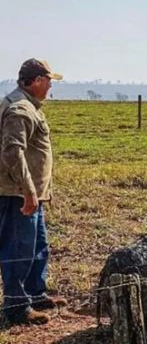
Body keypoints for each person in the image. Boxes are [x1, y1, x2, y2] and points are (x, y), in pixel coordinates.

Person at [0, 59, 67, 325]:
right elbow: (12, 152)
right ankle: (17, 307)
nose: (51, 86)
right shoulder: (21, 109)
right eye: (49, 80)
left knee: (38, 246)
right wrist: (28, 191)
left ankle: (36, 294)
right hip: (18, 194)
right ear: (37, 80)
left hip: (29, 195)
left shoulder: (25, 104)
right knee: (19, 249)